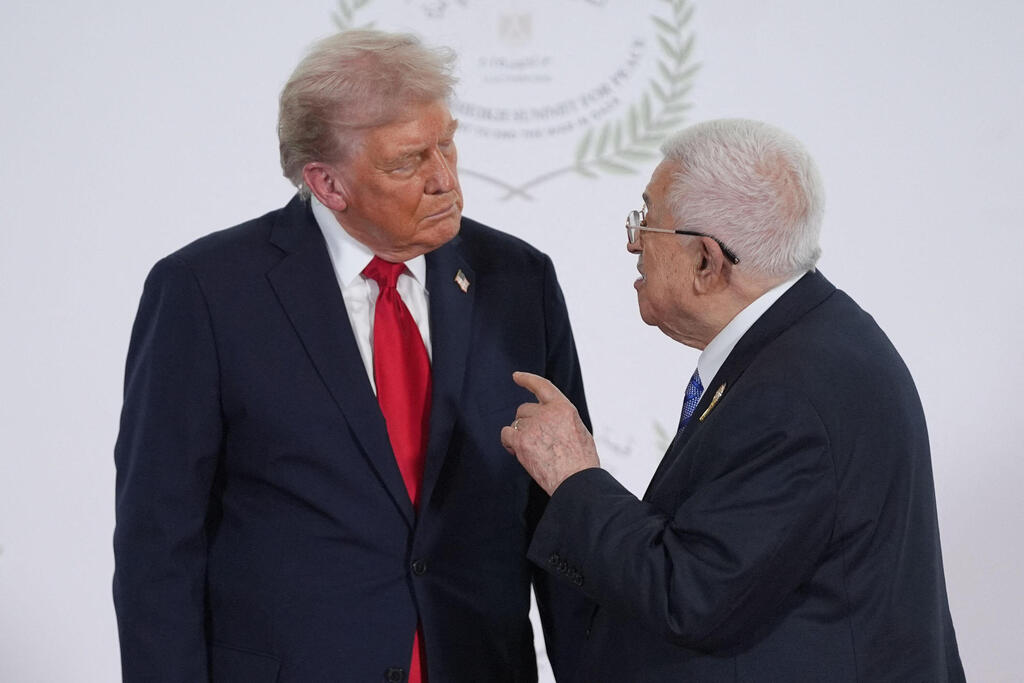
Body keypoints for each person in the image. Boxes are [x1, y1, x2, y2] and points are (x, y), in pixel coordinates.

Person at [113, 30, 589, 682]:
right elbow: (158, 544)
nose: (445, 179)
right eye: (408, 161)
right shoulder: (206, 292)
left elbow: (561, 511)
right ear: (327, 182)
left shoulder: (519, 280)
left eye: (447, 143)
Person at [501, 119, 964, 681]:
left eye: (646, 221)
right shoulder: (816, 340)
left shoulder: (792, 392)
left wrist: (574, 477)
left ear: (705, 261)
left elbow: (692, 595)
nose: (632, 242)